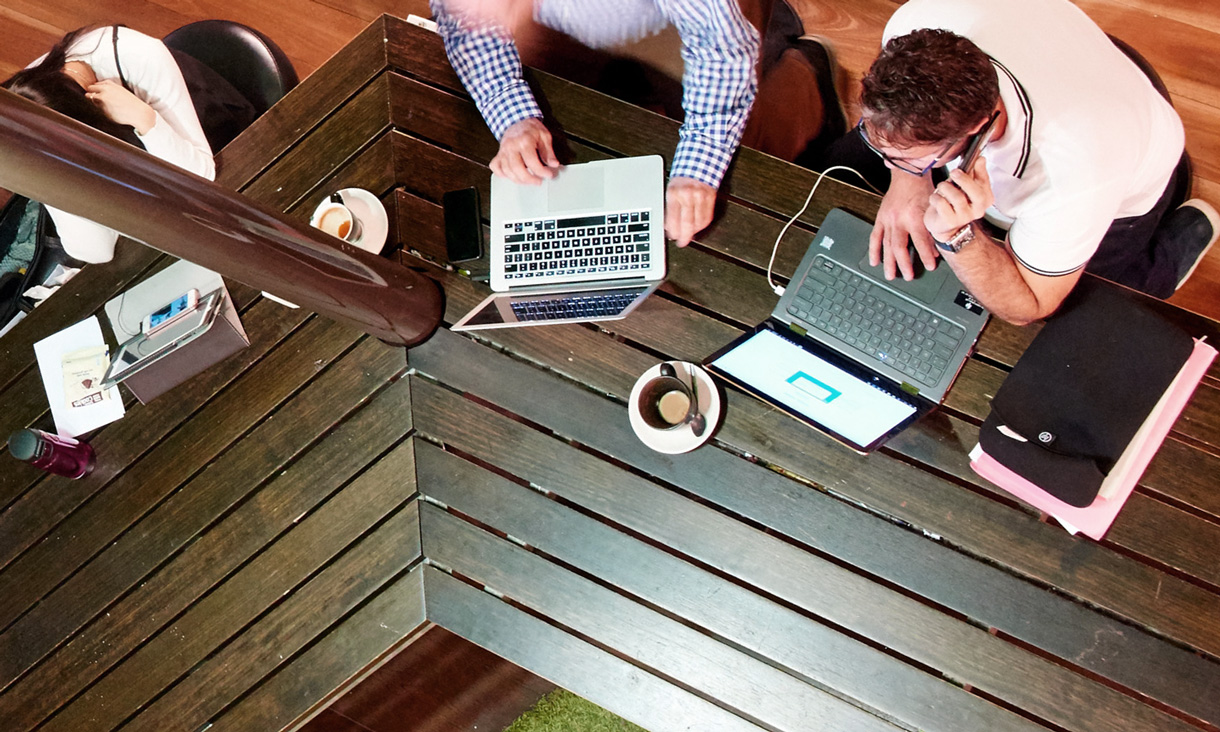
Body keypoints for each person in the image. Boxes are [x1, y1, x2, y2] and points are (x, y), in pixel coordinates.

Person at [845, 0, 1217, 326]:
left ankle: (1169, 258)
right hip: (1081, 61)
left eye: (910, 159)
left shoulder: (1073, 173)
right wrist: (907, 180)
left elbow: (1031, 305)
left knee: (1085, 306)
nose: (890, 160)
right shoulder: (916, 23)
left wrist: (956, 235)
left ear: (978, 127)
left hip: (1128, 158)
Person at [430, 0, 845, 247]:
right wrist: (512, 114)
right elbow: (468, 33)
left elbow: (722, 51)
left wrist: (697, 171)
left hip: (710, 26)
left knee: (747, 146)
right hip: (612, 20)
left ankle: (808, 73)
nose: (477, 22)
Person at [3, 25, 216, 264]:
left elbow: (202, 179)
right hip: (156, 190)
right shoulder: (32, 112)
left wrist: (144, 119)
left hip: (208, 131)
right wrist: (47, 180)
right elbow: (94, 251)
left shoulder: (138, 54)